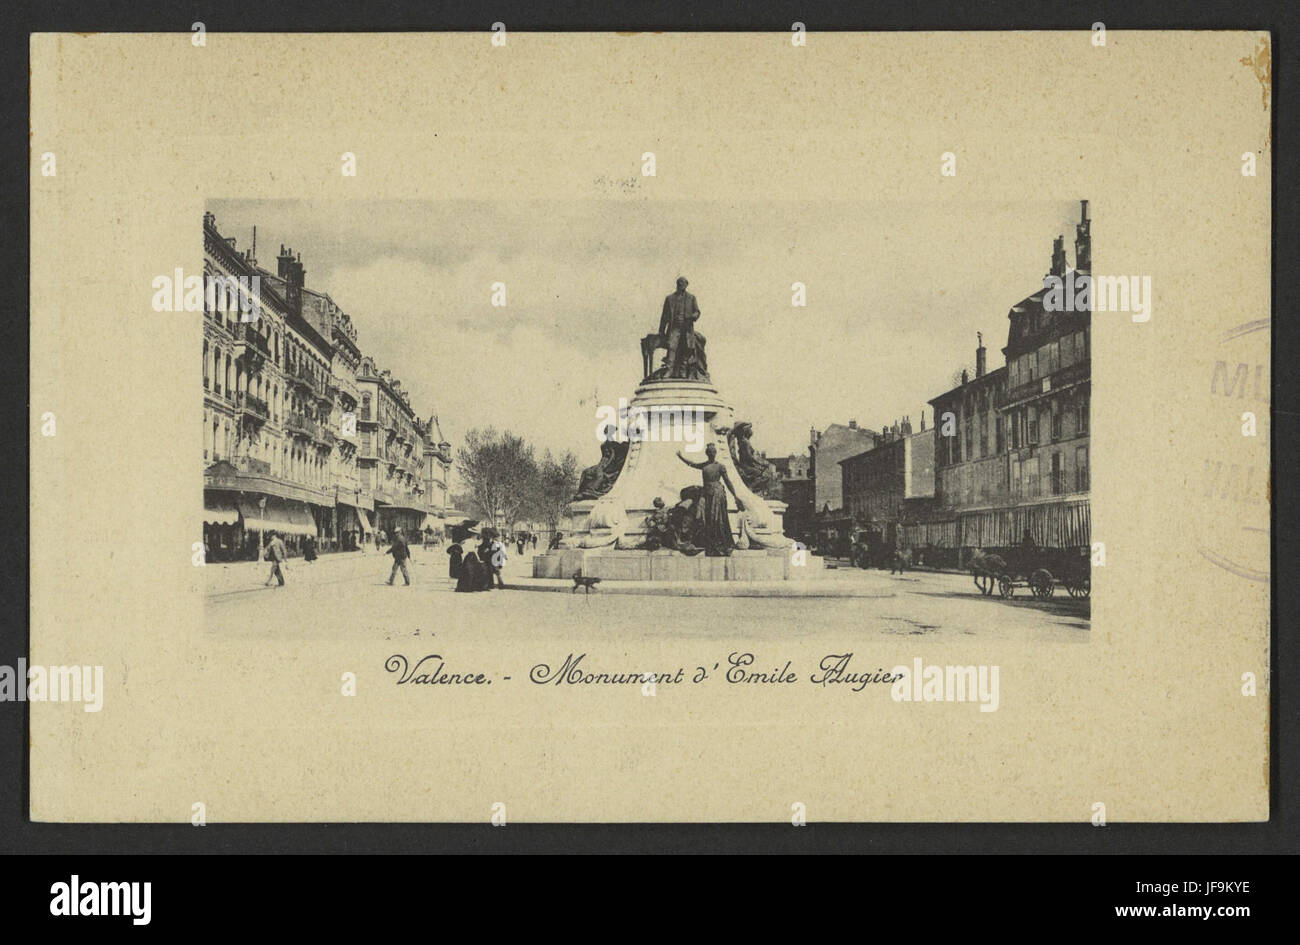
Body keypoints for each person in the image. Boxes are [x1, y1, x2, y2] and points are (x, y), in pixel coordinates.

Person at [676, 443, 742, 556]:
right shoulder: (705, 465)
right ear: (707, 454)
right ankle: (710, 543)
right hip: (707, 493)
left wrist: (735, 495)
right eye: (709, 452)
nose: (711, 454)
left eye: (713, 452)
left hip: (717, 494)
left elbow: (728, 481)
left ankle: (720, 544)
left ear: (715, 453)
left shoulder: (720, 466)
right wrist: (681, 457)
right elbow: (692, 464)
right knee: (705, 518)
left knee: (717, 519)